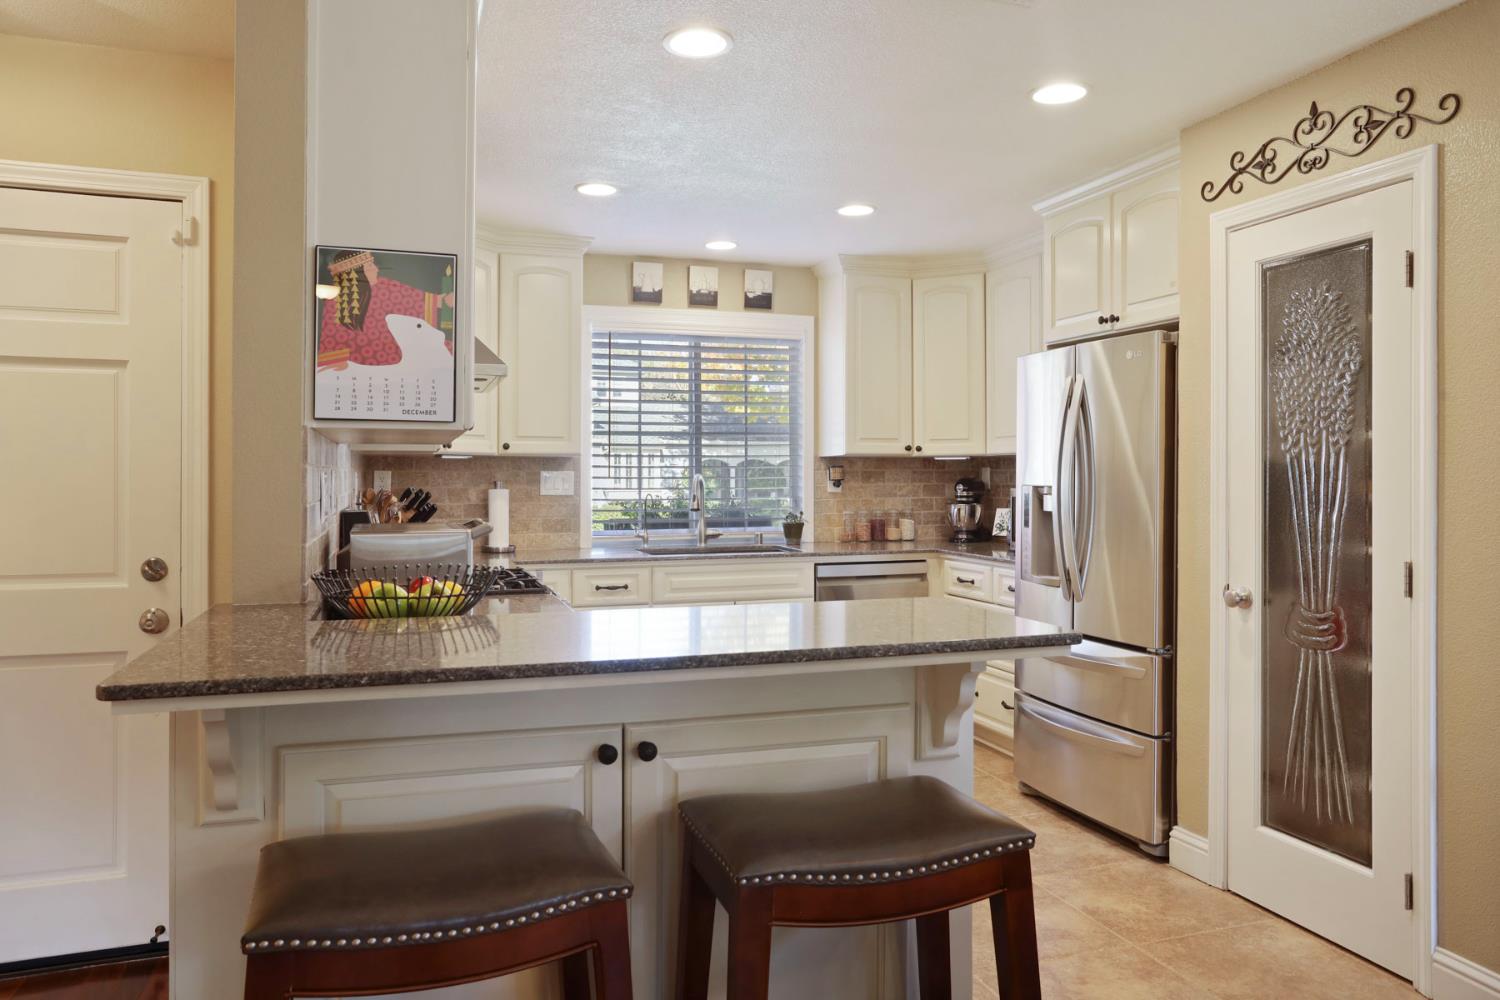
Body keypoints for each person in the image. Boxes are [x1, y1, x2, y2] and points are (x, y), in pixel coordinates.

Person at [317, 249, 455, 369]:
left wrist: (440, 301)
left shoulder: (382, 286)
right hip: (354, 362)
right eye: (370, 265)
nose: (376, 269)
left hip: (387, 352)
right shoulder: (336, 300)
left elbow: (410, 298)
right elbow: (332, 347)